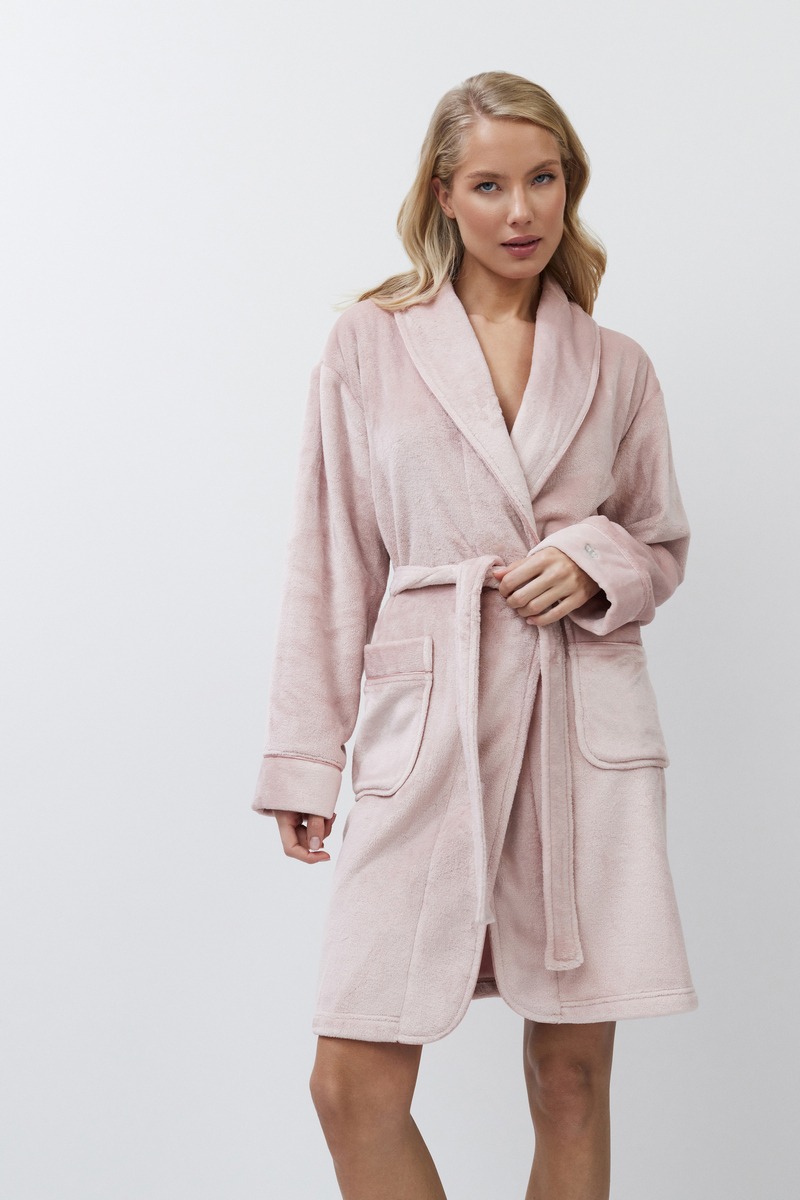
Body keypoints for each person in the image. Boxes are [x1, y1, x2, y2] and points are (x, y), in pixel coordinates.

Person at [251, 70, 698, 1200]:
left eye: (542, 179)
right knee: (351, 1087)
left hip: (575, 726)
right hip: (429, 727)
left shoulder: (616, 365)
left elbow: (658, 544)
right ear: (443, 195)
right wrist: (307, 756)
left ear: (568, 187)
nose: (521, 210)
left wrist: (593, 562)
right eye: (490, 185)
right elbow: (331, 558)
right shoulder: (370, 344)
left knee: (570, 1082)